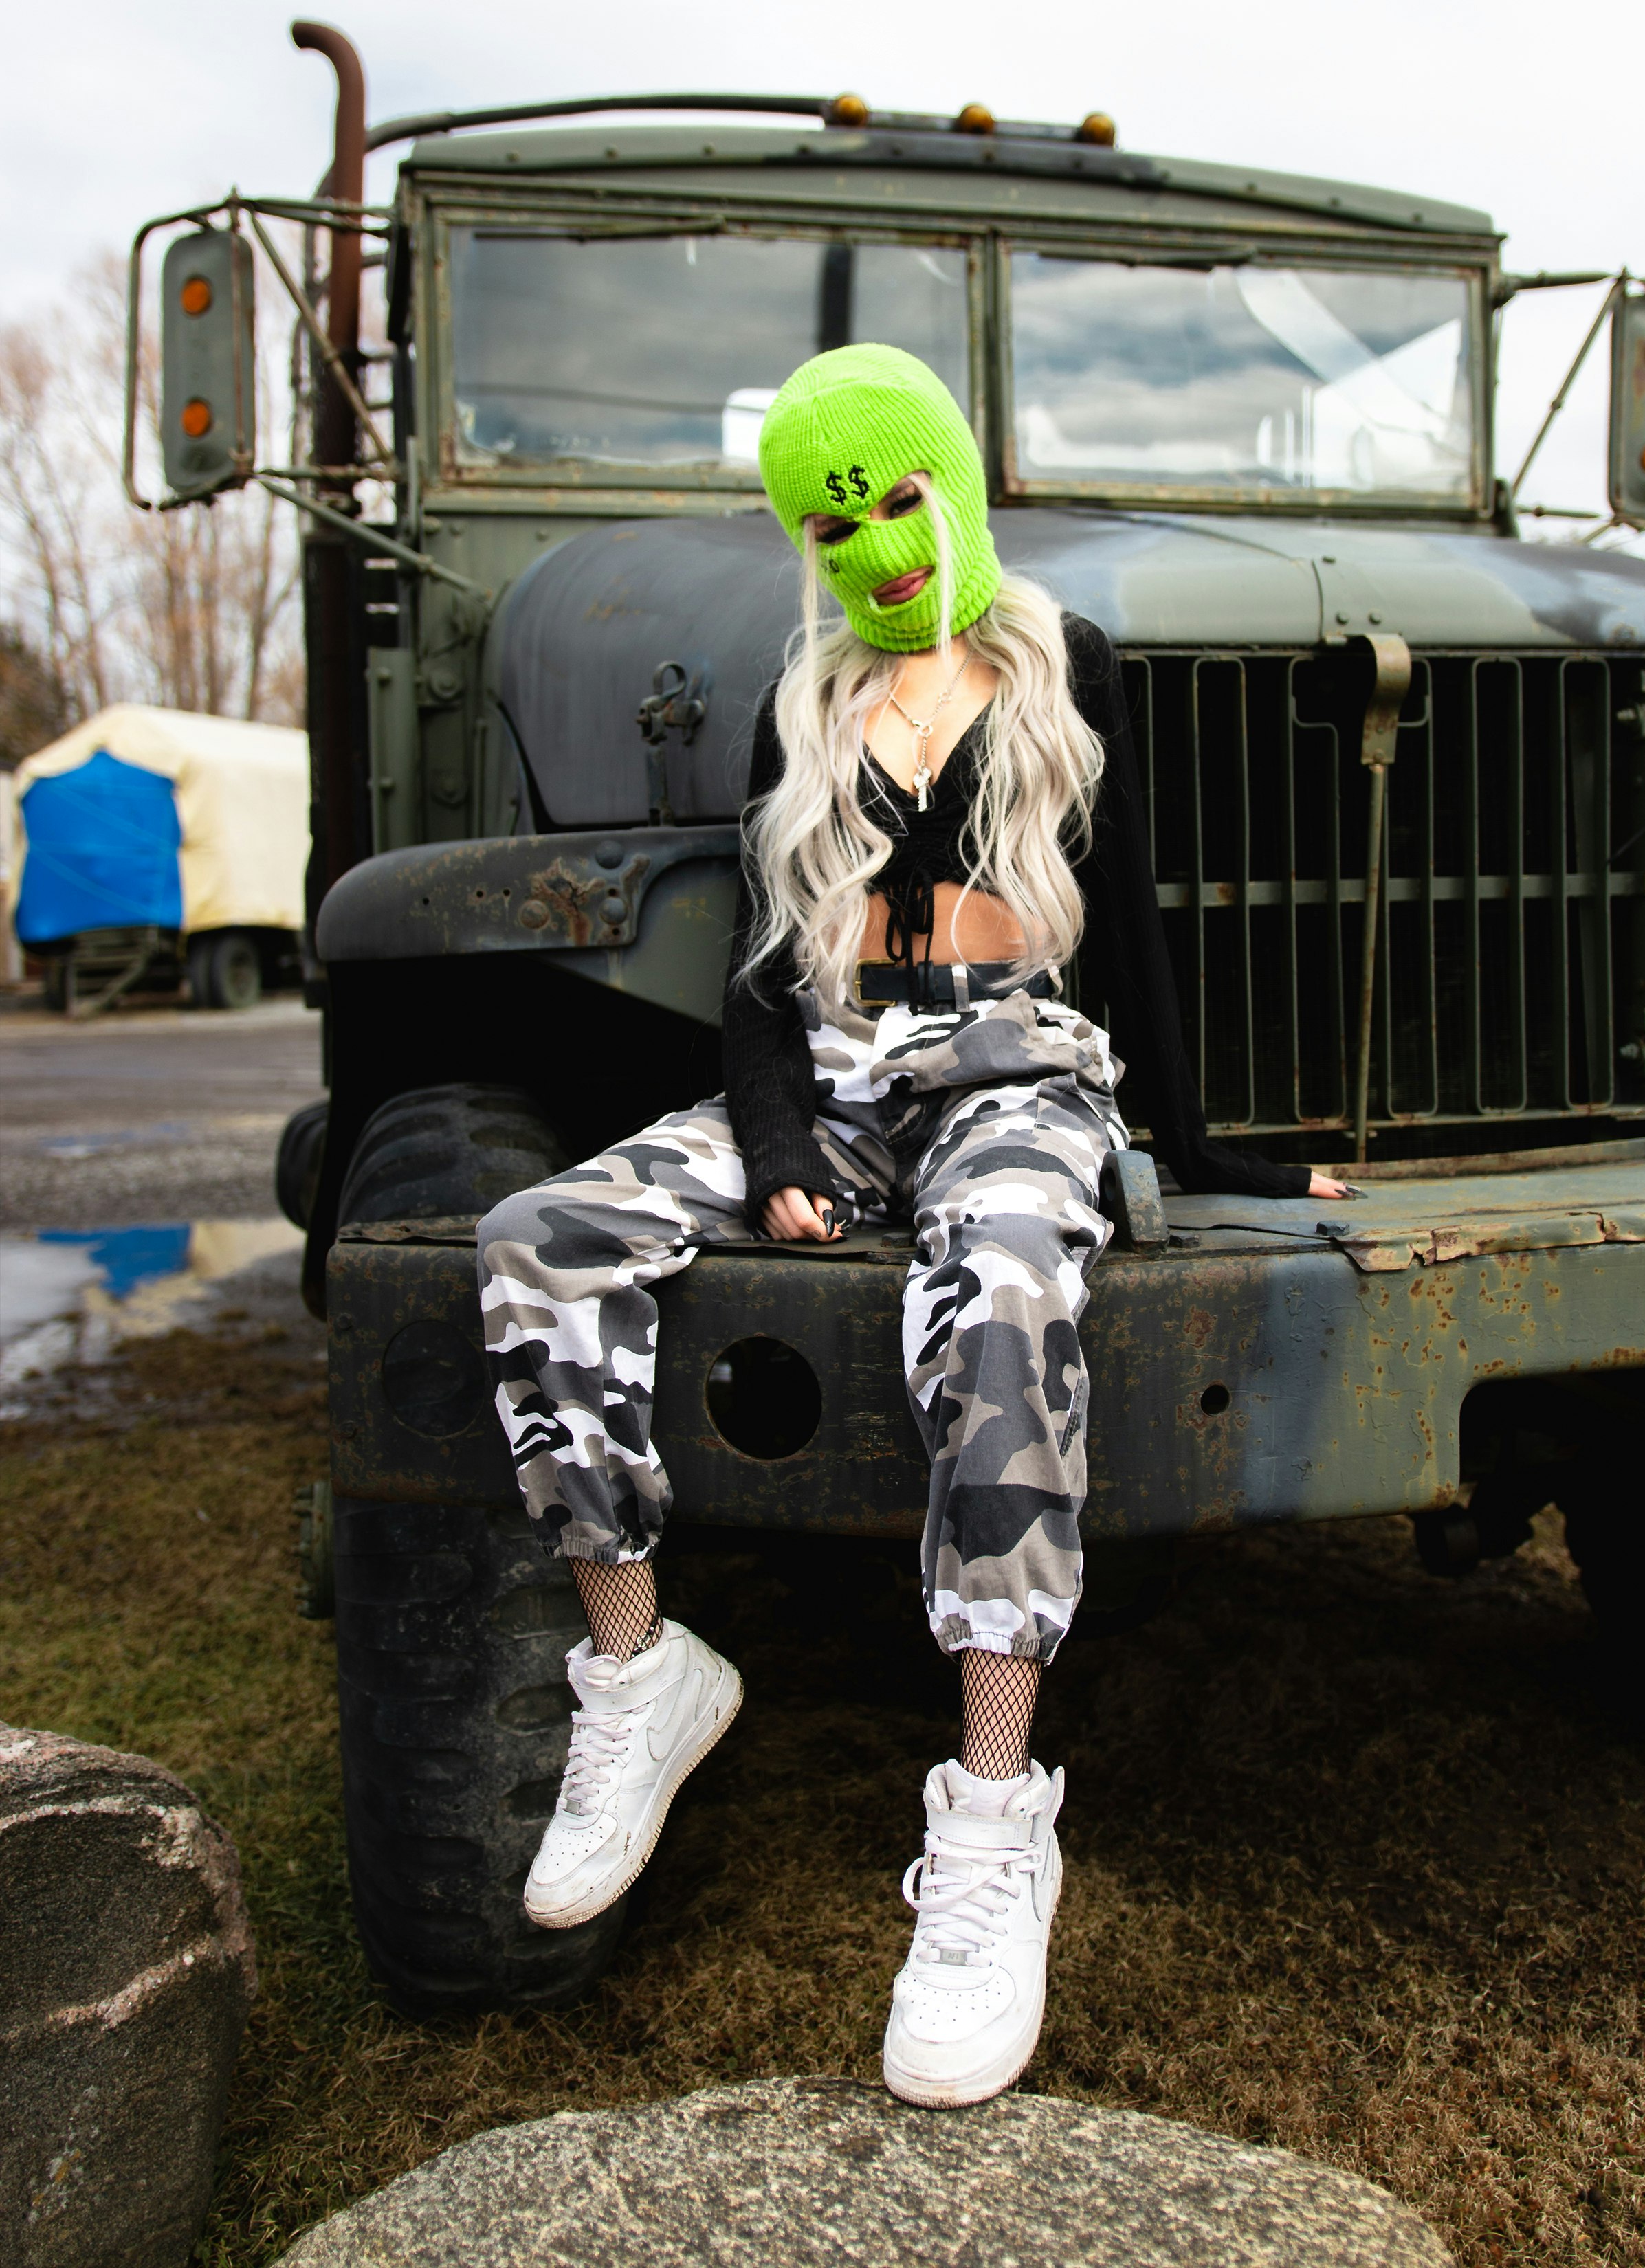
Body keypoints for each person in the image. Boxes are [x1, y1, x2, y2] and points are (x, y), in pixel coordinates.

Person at [476, 344, 1348, 2108]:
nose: (874, 535)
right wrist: (781, 1137)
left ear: (949, 481)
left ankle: (994, 1820)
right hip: (833, 1079)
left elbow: (1144, 934)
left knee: (1007, 1294)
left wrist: (1213, 1155)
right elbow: (749, 972)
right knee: (538, 1238)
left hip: (1018, 1077)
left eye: (895, 492)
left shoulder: (1062, 669)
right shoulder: (796, 702)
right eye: (837, 512)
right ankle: (639, 1671)